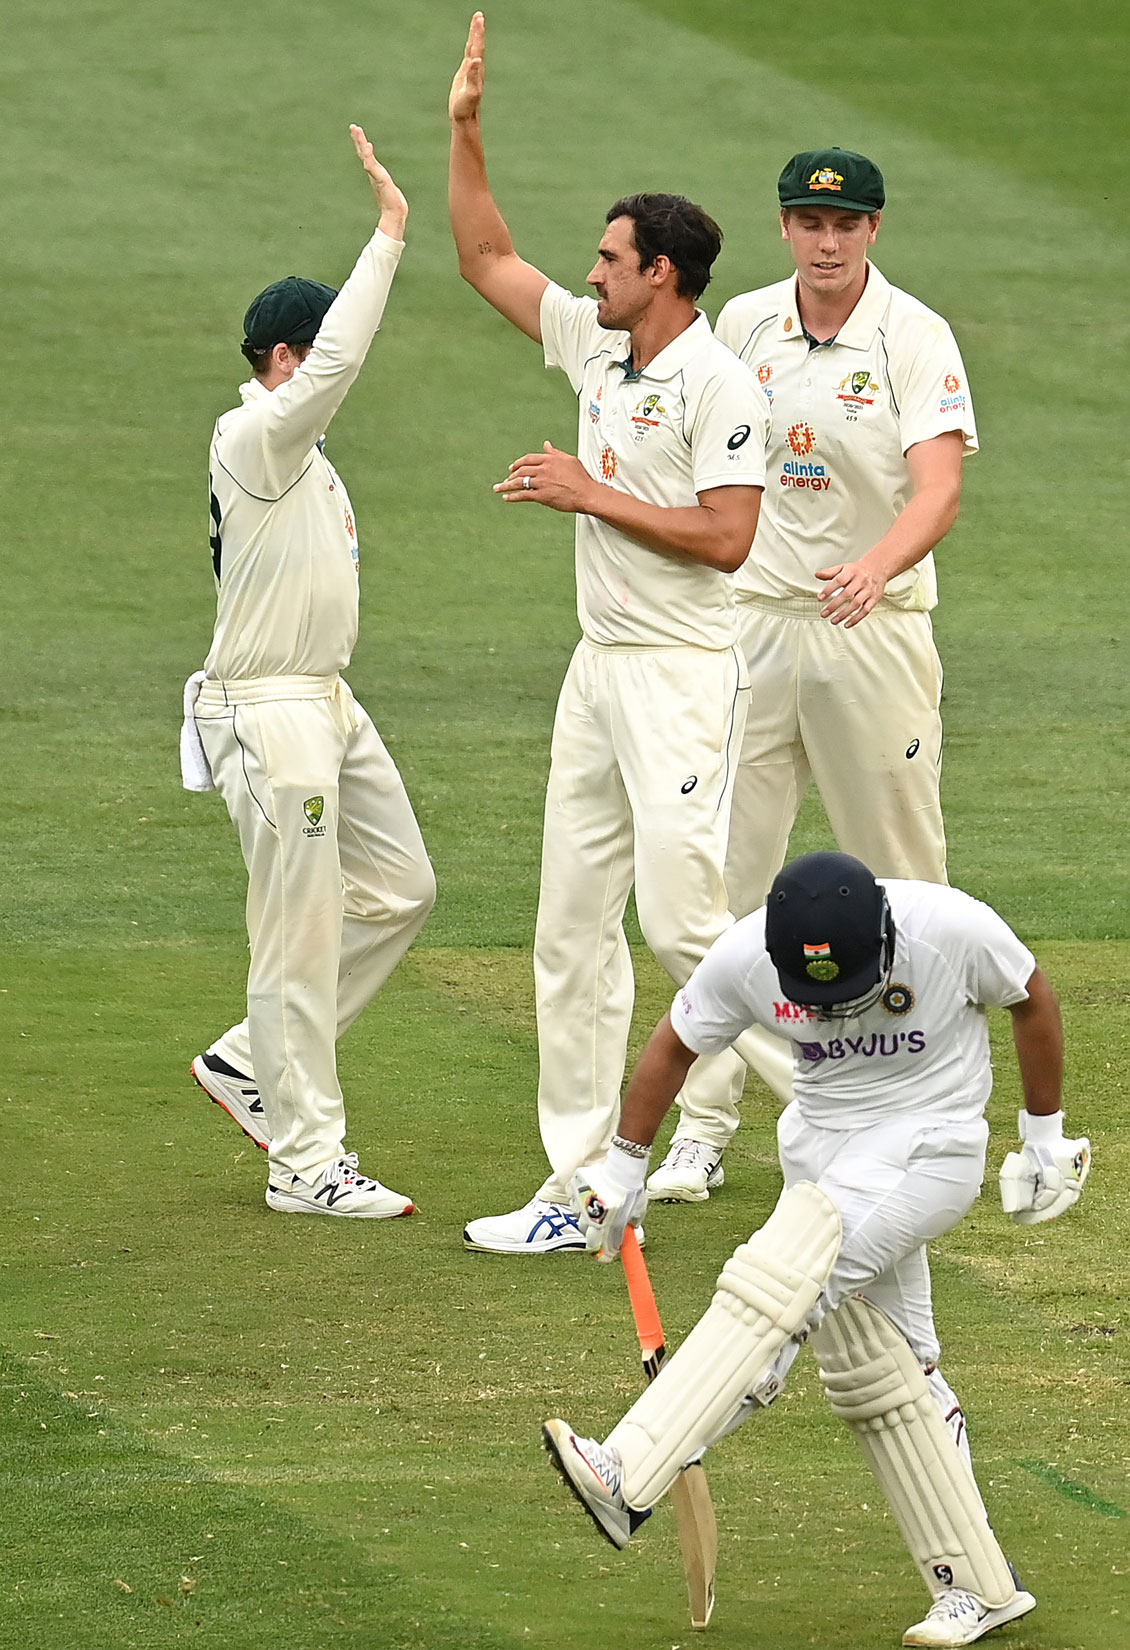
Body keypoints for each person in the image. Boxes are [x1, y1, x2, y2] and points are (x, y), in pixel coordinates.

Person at [544, 851, 1091, 1647]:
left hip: (931, 1148)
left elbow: (1030, 996)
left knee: (786, 1278)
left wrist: (1043, 1137)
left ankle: (630, 1470)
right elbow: (676, 1042)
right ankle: (974, 1585)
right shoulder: (747, 952)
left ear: (882, 934)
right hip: (825, 1154)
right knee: (886, 1369)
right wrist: (624, 1168)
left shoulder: (951, 927)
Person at [446, 12, 795, 1254]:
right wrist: (467, 129)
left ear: (666, 276)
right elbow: (487, 256)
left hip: (685, 677)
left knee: (687, 929)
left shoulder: (719, 385)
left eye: (609, 260)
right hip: (597, 672)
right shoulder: (598, 349)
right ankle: (585, 1181)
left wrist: (591, 493)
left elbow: (729, 538)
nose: (590, 274)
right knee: (569, 926)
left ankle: (851, 1112)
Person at [649, 147, 978, 1205]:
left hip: (871, 634)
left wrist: (875, 569)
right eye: (807, 223)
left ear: (873, 231)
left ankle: (930, 1099)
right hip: (752, 630)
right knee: (722, 883)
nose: (826, 242)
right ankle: (704, 1124)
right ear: (785, 228)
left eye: (845, 226)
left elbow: (937, 490)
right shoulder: (741, 324)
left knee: (903, 877)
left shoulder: (914, 336)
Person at [187, 127, 436, 1218]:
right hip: (270, 709)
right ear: (286, 359)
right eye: (319, 343)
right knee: (300, 932)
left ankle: (253, 1059)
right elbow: (339, 362)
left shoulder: (303, 458)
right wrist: (388, 238)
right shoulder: (256, 438)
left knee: (402, 889)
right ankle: (305, 1162)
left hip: (328, 701)